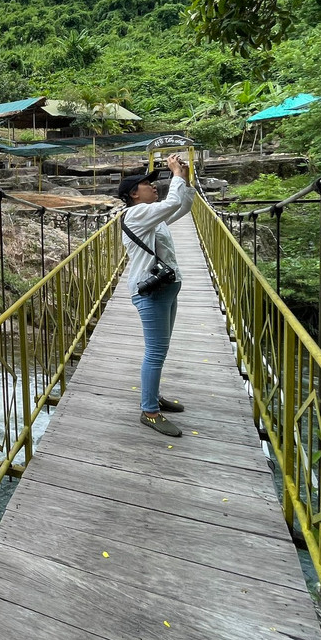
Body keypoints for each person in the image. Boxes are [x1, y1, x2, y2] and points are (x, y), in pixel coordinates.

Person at [117, 153, 194, 438]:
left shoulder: (152, 217)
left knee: (159, 350)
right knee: (155, 352)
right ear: (134, 194)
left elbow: (182, 206)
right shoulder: (136, 214)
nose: (154, 186)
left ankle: (154, 394)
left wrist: (183, 178)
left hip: (165, 288)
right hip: (151, 293)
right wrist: (174, 173)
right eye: (148, 184)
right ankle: (149, 411)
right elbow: (172, 201)